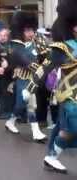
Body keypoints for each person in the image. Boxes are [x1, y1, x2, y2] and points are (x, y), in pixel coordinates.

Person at [23, 0, 77, 173]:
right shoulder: (62, 47)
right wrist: (30, 87)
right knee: (72, 129)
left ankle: (52, 156)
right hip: (69, 96)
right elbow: (45, 68)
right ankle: (52, 156)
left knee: (64, 129)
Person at [4, 11, 47, 142]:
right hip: (21, 78)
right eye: (28, 30)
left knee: (30, 104)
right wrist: (42, 69)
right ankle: (11, 121)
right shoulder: (15, 45)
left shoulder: (35, 43)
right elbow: (24, 61)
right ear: (20, 31)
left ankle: (35, 131)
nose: (31, 33)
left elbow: (41, 58)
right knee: (21, 103)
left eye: (32, 30)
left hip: (31, 78)